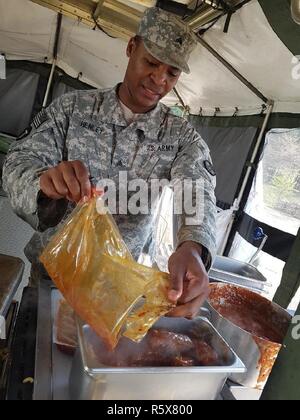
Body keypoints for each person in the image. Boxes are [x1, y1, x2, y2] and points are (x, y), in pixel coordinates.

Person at [2, 7, 217, 319]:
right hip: (50, 283)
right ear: (131, 48)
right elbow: (18, 162)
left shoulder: (180, 135)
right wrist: (43, 183)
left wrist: (193, 247)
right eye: (151, 62)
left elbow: (197, 188)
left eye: (172, 73)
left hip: (116, 294)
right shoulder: (72, 109)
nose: (159, 79)